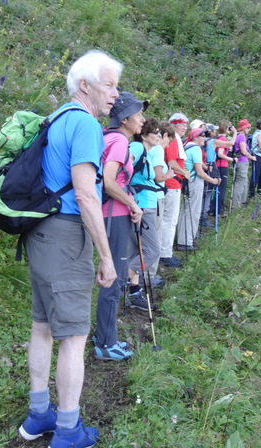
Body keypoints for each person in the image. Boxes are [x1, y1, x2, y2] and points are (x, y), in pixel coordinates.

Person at [18, 49, 120, 448]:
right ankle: (67, 431)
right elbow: (86, 193)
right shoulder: (86, 124)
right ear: (85, 85)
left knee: (42, 326)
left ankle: (38, 414)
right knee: (74, 337)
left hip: (40, 232)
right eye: (108, 85)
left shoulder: (57, 117)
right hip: (65, 236)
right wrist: (106, 256)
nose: (115, 94)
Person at [93, 91, 146, 361]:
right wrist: (133, 204)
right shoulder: (119, 141)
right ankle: (105, 343)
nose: (143, 120)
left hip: (108, 213)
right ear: (124, 119)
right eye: (139, 115)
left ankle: (103, 336)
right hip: (113, 214)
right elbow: (109, 182)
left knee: (112, 274)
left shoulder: (107, 137)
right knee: (114, 277)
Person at [127, 118, 173, 295]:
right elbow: (123, 165)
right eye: (155, 132)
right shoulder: (137, 147)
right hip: (142, 205)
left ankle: (134, 289)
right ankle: (121, 277)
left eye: (160, 133)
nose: (159, 135)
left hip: (145, 204)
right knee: (152, 250)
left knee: (137, 250)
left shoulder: (146, 153)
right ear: (143, 135)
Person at [176, 127, 221, 251]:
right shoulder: (195, 148)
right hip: (194, 182)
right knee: (193, 211)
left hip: (187, 182)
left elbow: (197, 164)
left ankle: (183, 239)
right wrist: (213, 181)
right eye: (202, 136)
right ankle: (186, 242)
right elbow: (200, 172)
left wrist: (205, 167)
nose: (205, 139)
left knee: (186, 210)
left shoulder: (186, 146)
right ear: (196, 137)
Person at [158, 113, 191, 267]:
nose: (185, 127)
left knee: (170, 220)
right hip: (171, 183)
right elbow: (171, 162)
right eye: (182, 124)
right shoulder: (173, 139)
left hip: (173, 183)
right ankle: (164, 253)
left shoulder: (175, 139)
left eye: (186, 124)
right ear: (174, 125)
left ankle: (166, 251)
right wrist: (184, 173)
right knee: (169, 220)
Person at [147, 121, 176, 281]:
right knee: (155, 237)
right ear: (164, 135)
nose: (168, 145)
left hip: (151, 196)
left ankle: (147, 273)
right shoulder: (158, 150)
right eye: (169, 140)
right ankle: (150, 274)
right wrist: (169, 175)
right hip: (156, 197)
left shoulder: (150, 148)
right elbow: (158, 177)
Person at [210, 120, 237, 219]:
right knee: (221, 188)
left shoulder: (218, 138)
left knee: (215, 188)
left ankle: (212, 209)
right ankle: (219, 210)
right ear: (226, 128)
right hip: (221, 166)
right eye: (229, 127)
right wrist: (232, 159)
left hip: (217, 165)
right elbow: (220, 154)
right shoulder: (222, 139)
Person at [231, 119, 257, 209]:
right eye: (248, 128)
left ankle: (240, 203)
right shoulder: (241, 136)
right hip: (242, 161)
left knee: (242, 182)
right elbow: (244, 151)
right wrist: (252, 157)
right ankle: (236, 205)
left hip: (240, 161)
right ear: (244, 128)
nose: (249, 129)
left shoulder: (237, 135)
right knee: (240, 183)